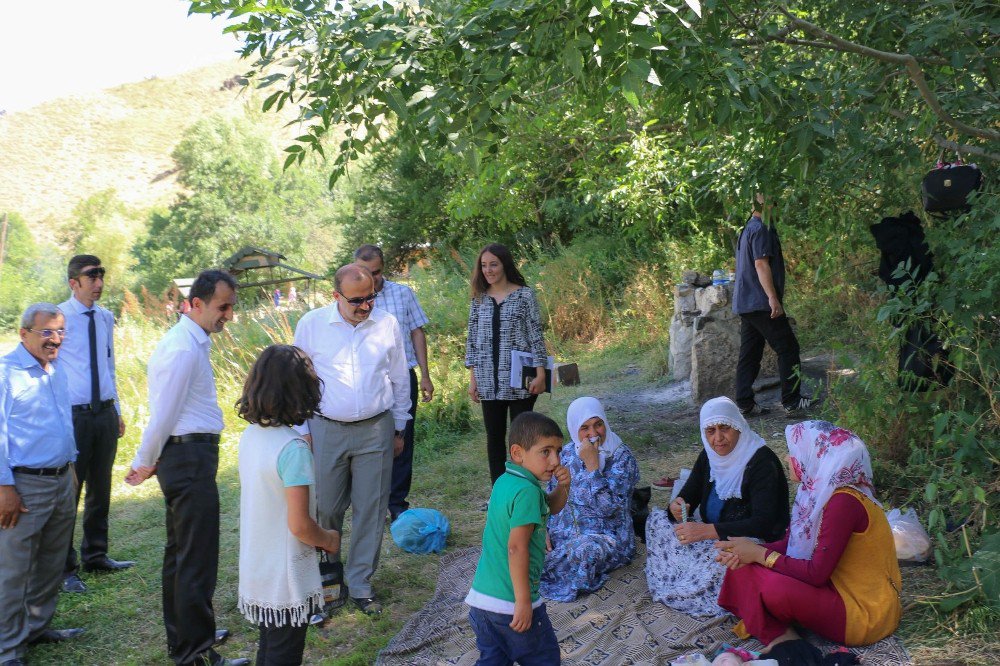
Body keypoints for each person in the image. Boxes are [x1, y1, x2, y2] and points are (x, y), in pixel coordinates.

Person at [125, 270, 248, 666]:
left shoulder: (192, 342)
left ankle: (189, 639)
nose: (228, 314)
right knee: (195, 559)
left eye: (231, 306)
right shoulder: (181, 347)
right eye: (221, 307)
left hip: (190, 456)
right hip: (188, 457)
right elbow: (163, 415)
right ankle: (195, 651)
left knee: (182, 556)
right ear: (195, 304)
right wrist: (144, 461)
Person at [715, 421, 902, 653]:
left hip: (861, 612)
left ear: (818, 457)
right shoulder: (818, 492)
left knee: (771, 586)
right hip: (834, 590)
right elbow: (791, 544)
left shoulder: (843, 501)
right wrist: (746, 551)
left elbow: (816, 574)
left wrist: (760, 554)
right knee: (742, 566)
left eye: (793, 452)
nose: (786, 458)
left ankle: (780, 636)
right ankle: (781, 634)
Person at [293, 264, 410, 616]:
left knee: (371, 508)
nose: (365, 306)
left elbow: (400, 376)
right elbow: (297, 380)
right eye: (356, 300)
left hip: (376, 429)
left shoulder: (386, 324)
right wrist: (302, 431)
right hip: (326, 428)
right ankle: (329, 578)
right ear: (336, 296)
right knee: (326, 506)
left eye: (370, 297)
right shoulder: (312, 325)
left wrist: (400, 427)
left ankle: (360, 583)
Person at [235, 345, 341, 666]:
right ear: (300, 391)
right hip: (286, 576)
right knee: (284, 653)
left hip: (258, 564)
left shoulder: (251, 436)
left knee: (270, 645)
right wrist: (329, 539)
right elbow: (299, 525)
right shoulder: (293, 448)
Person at [645, 397, 789, 617]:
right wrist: (676, 506)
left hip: (749, 541)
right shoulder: (709, 456)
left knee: (724, 563)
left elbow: (765, 523)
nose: (718, 438)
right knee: (656, 521)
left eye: (725, 428)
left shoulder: (762, 462)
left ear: (738, 426)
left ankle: (693, 586)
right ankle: (682, 577)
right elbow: (688, 495)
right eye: (710, 431)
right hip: (709, 537)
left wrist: (708, 531)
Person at [0, 304, 84, 665]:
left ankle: (36, 628)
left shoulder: (57, 370)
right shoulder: (7, 374)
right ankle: (8, 650)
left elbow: (63, 422)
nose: (56, 340)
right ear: (24, 334)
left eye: (61, 332)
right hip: (25, 485)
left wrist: (73, 467)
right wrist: (4, 487)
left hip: (63, 478)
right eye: (47, 332)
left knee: (51, 561)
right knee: (14, 570)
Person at [465, 412, 570, 666]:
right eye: (545, 451)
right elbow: (516, 547)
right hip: (511, 603)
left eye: (558, 451)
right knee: (544, 658)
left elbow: (550, 507)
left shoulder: (507, 481)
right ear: (518, 453)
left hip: (482, 602)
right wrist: (523, 602)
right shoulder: (528, 493)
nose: (555, 460)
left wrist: (563, 488)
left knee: (494, 659)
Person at [58, 255, 133, 596]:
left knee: (101, 488)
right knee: (69, 493)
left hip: (103, 413)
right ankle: (64, 568)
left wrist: (115, 407)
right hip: (73, 415)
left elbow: (109, 365)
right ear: (74, 283)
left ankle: (96, 555)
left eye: (101, 275)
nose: (99, 282)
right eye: (92, 276)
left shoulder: (105, 317)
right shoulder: (58, 317)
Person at [353, 244, 435, 521]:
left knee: (402, 440)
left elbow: (417, 332)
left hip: (402, 378)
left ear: (383, 268)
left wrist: (425, 374)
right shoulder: (351, 299)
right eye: (365, 272)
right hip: (368, 381)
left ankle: (397, 504)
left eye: (376, 272)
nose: (371, 279)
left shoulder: (402, 293)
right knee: (369, 441)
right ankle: (372, 504)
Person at [540, 397, 639, 601]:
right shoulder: (566, 453)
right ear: (574, 428)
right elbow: (549, 499)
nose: (593, 434)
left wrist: (593, 465)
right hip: (564, 532)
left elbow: (609, 509)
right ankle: (542, 561)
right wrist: (542, 530)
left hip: (607, 537)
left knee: (583, 552)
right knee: (522, 538)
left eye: (598, 424)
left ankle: (538, 568)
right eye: (584, 427)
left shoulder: (622, 457)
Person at [465, 243, 548, 485]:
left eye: (493, 264)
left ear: (504, 265)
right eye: (483, 265)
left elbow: (535, 335)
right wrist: (473, 380)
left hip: (521, 378)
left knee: (522, 437)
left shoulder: (524, 295)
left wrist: (541, 373)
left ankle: (524, 487)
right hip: (488, 380)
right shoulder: (478, 299)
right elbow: (472, 339)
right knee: (494, 437)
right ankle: (500, 492)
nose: (488, 270)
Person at [732, 193, 809, 417]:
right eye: (775, 203)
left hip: (746, 303)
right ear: (766, 205)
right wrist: (773, 298)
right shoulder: (762, 229)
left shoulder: (748, 227)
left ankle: (744, 402)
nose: (778, 208)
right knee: (788, 348)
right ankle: (792, 401)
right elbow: (760, 264)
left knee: (750, 352)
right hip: (760, 302)